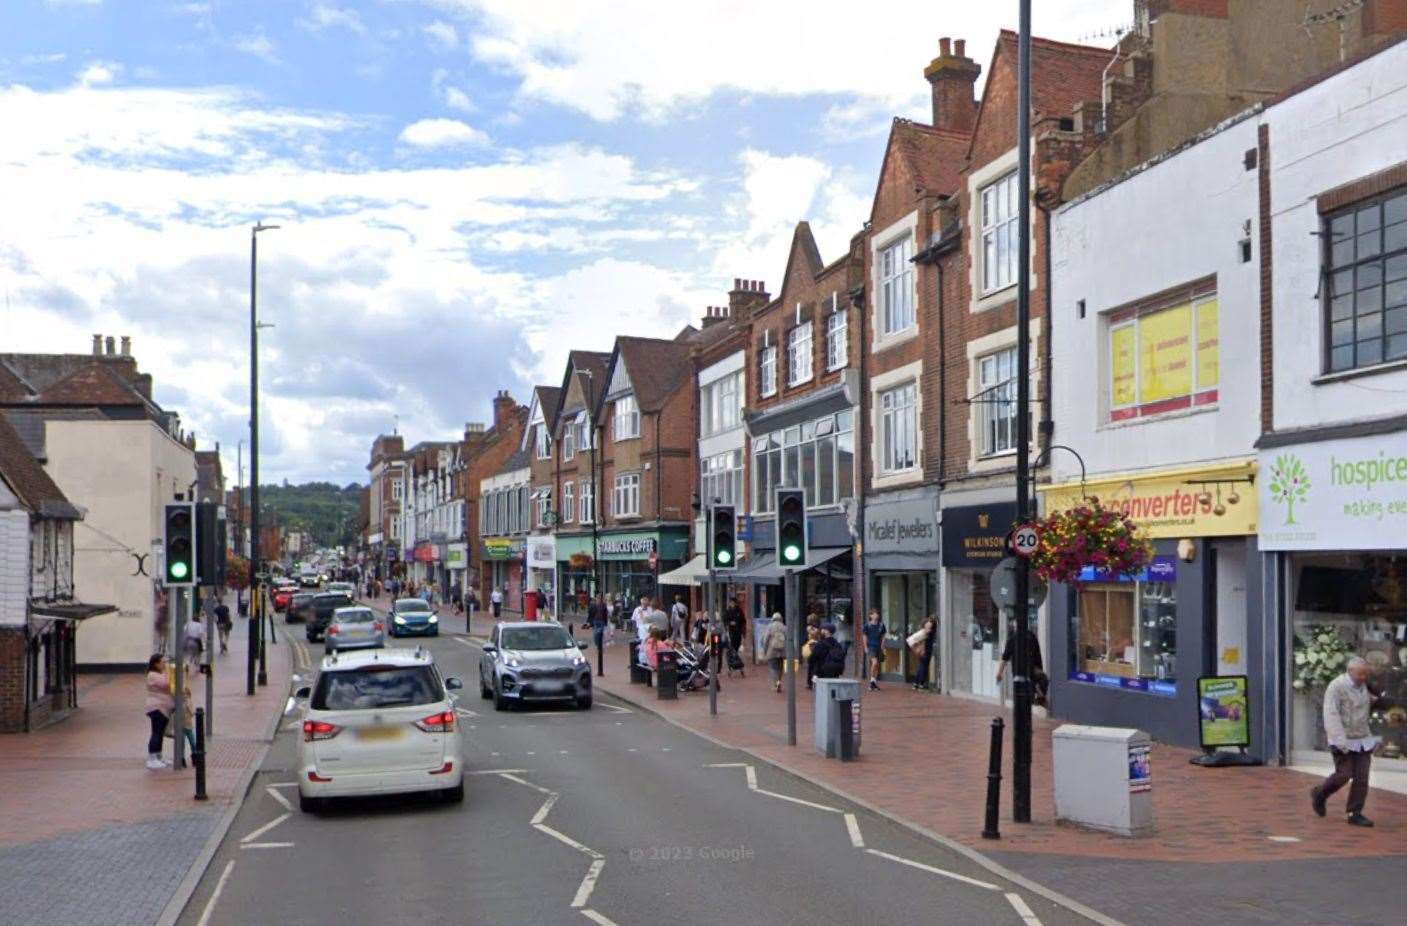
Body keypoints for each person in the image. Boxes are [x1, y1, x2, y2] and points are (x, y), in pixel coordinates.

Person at [1312, 656, 1381, 826]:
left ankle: (1354, 812)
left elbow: (1368, 709)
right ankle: (1320, 793)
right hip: (1342, 738)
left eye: (1365, 674)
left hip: (1362, 738)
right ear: (1350, 671)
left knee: (1362, 777)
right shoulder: (1336, 687)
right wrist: (1339, 740)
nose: (1363, 678)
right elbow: (1331, 714)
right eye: (1360, 675)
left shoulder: (1366, 686)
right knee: (1344, 774)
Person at [995, 619, 1048, 705]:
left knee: (1039, 680)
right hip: (1027, 669)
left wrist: (999, 673)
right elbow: (1038, 655)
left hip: (1022, 670)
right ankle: (1038, 696)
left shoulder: (1014, 639)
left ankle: (1038, 696)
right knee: (1039, 680)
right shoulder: (1027, 637)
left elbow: (1005, 658)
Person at [144, 654, 174, 770]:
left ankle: (158, 755)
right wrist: (169, 670)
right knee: (156, 732)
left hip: (164, 708)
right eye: (162, 662)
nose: (164, 664)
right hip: (157, 707)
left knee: (160, 733)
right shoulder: (152, 675)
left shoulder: (161, 674)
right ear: (156, 664)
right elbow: (167, 684)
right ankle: (152, 758)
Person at [909, 617, 937, 690]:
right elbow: (914, 640)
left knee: (922, 666)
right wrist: (917, 648)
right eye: (928, 625)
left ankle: (917, 683)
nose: (929, 626)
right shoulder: (925, 632)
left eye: (930, 625)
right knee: (923, 667)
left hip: (925, 651)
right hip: (924, 651)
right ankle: (920, 683)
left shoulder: (926, 631)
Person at [862, 610, 888, 691]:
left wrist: (883, 646)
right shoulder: (867, 626)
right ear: (871, 616)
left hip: (879, 647)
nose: (877, 615)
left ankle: (874, 683)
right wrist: (865, 647)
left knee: (877, 665)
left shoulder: (881, 625)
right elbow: (864, 636)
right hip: (871, 647)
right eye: (875, 614)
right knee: (874, 662)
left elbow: (883, 636)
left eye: (877, 614)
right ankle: (871, 681)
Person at [762, 613, 787, 693]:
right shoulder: (784, 627)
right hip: (782, 651)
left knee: (773, 668)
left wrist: (765, 650)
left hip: (772, 651)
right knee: (780, 668)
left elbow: (765, 640)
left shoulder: (770, 627)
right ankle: (779, 681)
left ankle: (776, 683)